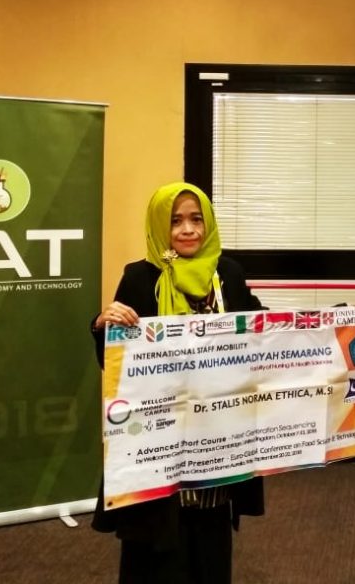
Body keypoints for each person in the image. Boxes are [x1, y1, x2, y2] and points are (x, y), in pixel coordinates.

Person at [90, 182, 264, 584]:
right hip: (159, 444)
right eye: (176, 221)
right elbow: (115, 361)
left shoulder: (228, 274)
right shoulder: (140, 278)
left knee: (210, 545)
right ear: (160, 227)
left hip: (216, 441)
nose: (188, 230)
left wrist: (324, 330)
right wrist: (103, 324)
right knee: (156, 553)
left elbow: (262, 331)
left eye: (196, 219)